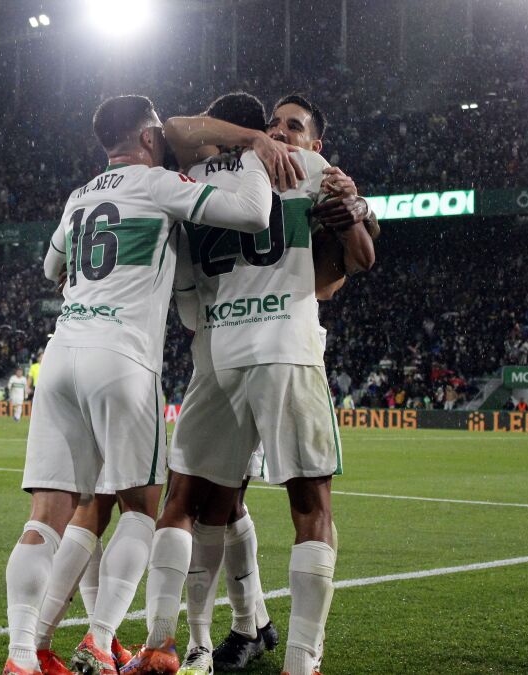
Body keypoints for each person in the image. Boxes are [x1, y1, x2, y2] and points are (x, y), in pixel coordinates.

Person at [3, 93, 295, 675]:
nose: (164, 138)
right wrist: (255, 154)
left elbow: (51, 268)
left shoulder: (79, 195)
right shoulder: (159, 184)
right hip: (121, 357)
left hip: (60, 355)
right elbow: (251, 214)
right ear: (144, 138)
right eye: (158, 131)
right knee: (140, 509)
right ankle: (100, 639)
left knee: (46, 515)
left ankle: (22, 655)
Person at [129, 92, 374, 675]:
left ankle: (178, 640)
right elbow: (356, 262)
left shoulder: (193, 179)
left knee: (191, 501)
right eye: (272, 124)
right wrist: (357, 206)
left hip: (218, 351)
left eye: (291, 126)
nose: (279, 133)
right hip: (284, 349)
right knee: (308, 507)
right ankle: (297, 659)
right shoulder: (308, 167)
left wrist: (355, 211)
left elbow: (177, 129)